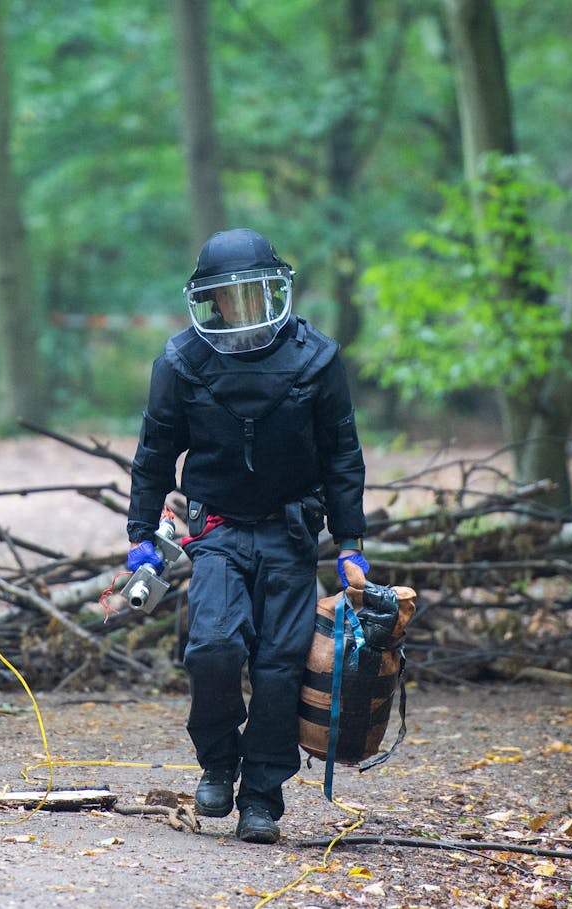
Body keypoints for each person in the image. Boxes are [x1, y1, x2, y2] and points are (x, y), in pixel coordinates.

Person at [125, 227, 368, 844]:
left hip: (289, 534)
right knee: (213, 648)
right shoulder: (182, 362)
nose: (246, 307)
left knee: (281, 667)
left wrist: (350, 545)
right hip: (218, 532)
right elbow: (154, 455)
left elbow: (343, 457)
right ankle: (216, 760)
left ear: (278, 291)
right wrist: (141, 536)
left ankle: (262, 794)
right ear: (212, 301)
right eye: (233, 295)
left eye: (257, 293)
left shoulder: (316, 358)